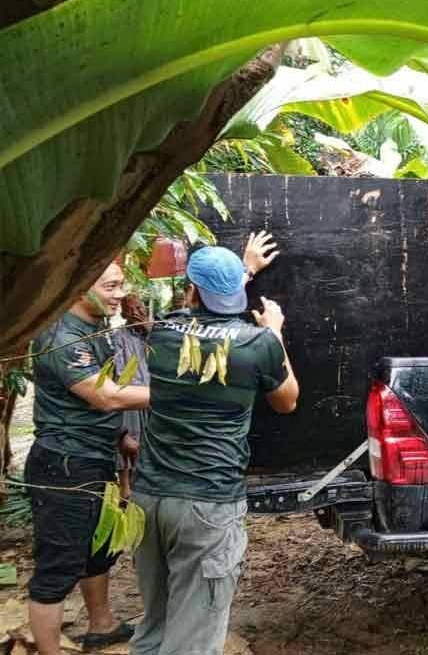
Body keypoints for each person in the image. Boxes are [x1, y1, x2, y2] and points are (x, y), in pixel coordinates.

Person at [130, 239, 299, 655]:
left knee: (154, 627)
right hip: (206, 505)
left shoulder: (164, 333)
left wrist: (239, 270)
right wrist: (274, 334)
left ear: (190, 291)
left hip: (149, 497)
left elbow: (199, 315)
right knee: (193, 639)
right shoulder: (257, 345)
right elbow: (287, 400)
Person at [26, 260, 150, 655]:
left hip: (94, 457)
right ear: (79, 286)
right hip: (65, 464)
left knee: (99, 547)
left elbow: (95, 406)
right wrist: (178, 393)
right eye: (111, 286)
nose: (120, 294)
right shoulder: (59, 334)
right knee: (58, 565)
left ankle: (102, 624)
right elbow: (106, 395)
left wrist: (121, 437)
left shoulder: (94, 327)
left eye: (120, 285)